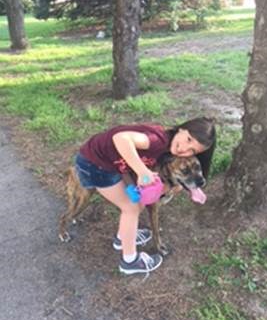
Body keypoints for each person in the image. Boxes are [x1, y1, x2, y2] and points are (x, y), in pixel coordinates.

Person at [74, 117, 216, 275]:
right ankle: (129, 262)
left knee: (139, 201)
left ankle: (123, 238)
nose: (185, 149)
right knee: (131, 208)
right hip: (95, 164)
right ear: (181, 129)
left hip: (112, 165)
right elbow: (120, 138)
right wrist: (142, 171)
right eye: (188, 139)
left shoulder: (170, 149)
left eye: (193, 151)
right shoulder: (157, 139)